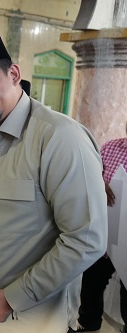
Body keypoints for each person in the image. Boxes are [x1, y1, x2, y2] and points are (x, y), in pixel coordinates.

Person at [0, 32, 107, 333]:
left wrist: (14, 297)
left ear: (14, 74)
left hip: (31, 320)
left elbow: (86, 238)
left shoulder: (59, 137)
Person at [69, 123, 127, 333]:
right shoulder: (111, 148)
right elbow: (89, 175)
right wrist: (99, 184)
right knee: (91, 284)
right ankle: (88, 324)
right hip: (104, 232)